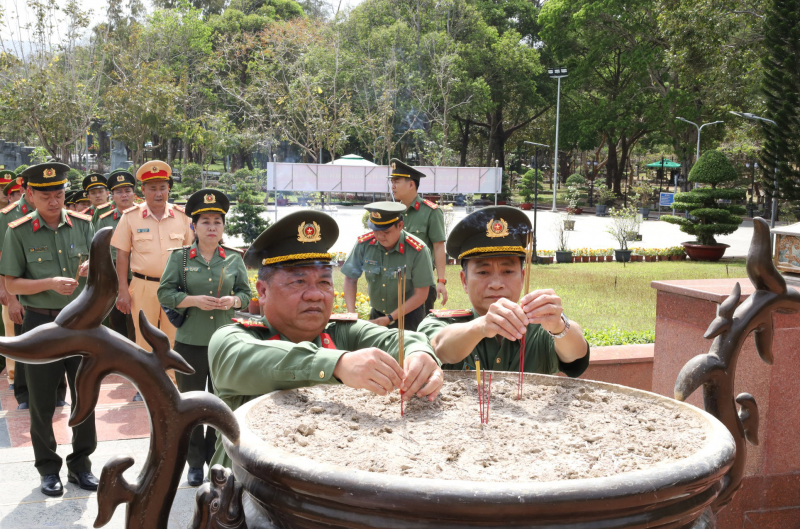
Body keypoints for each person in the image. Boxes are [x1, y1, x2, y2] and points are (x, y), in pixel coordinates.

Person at [207, 210, 443, 470]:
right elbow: (252, 358)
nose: (315, 295)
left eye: (324, 282)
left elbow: (402, 339)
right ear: (262, 291)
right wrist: (338, 365)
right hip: (247, 484)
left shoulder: (341, 334)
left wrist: (420, 355)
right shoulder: (233, 339)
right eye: (298, 281)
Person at [0, 162, 97, 497]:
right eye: (45, 196)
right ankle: (48, 469)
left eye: (59, 194)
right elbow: (12, 283)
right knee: (41, 400)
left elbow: (102, 268)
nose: (54, 201)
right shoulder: (18, 231)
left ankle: (81, 466)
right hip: (41, 323)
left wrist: (92, 267)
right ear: (30, 194)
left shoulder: (83, 225)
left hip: (80, 322)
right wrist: (50, 283)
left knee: (85, 395)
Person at [418, 206, 590, 377]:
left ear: (522, 277)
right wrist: (482, 326)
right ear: (464, 281)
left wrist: (559, 326)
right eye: (483, 272)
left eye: (508, 271)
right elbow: (438, 347)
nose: (496, 284)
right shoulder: (442, 323)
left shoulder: (538, 329)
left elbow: (576, 356)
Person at [157, 189, 251, 486]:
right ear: (194, 226)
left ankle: (217, 457)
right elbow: (165, 293)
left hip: (225, 342)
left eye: (217, 222)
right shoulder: (181, 258)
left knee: (223, 404)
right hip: (190, 342)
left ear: (223, 227)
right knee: (193, 405)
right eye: (205, 222)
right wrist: (193, 301)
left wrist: (233, 301)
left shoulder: (234, 258)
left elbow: (246, 294)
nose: (212, 227)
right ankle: (195, 462)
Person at [111, 160, 193, 397]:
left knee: (174, 336)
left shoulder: (182, 217)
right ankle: (145, 386)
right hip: (143, 285)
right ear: (143, 190)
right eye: (153, 188)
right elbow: (122, 255)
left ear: (168, 189)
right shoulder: (131, 217)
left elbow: (191, 253)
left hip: (176, 288)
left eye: (163, 188)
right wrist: (123, 290)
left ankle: (171, 385)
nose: (159, 193)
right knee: (143, 338)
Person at [341, 201, 434, 332]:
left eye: (386, 231)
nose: (380, 236)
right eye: (375, 230)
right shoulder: (364, 244)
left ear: (400, 225)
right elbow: (350, 279)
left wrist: (389, 318)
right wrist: (351, 314)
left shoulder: (417, 250)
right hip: (377, 315)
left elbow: (421, 294)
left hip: (409, 317)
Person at [388, 159, 448, 312]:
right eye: (392, 182)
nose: (392, 186)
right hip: (394, 283)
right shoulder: (392, 213)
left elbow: (438, 247)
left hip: (421, 285)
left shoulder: (431, 212)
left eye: (397, 182)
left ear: (411, 184)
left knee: (419, 326)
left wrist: (441, 281)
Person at [94, 169, 137, 341]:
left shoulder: (143, 216)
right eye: (118, 192)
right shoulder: (104, 219)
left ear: (134, 194)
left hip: (138, 278)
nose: (124, 195)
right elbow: (99, 251)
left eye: (127, 191)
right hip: (115, 279)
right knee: (116, 321)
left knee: (137, 322)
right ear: (112, 196)